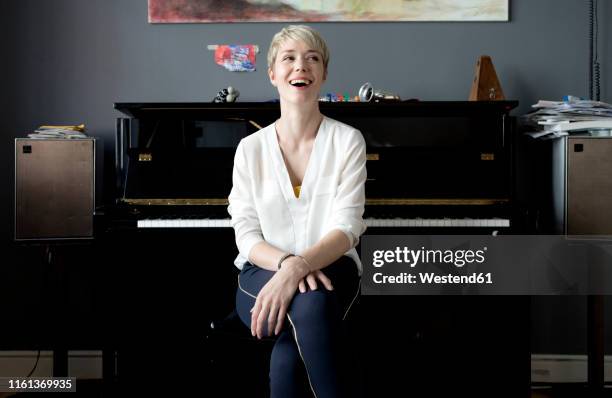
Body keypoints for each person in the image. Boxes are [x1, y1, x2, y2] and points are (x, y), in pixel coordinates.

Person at [227, 25, 366, 398]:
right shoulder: (250, 149)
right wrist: (288, 265)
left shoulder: (347, 140)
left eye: (312, 58)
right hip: (262, 271)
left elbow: (347, 227)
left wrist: (300, 267)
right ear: (273, 73)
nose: (299, 66)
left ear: (323, 73)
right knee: (310, 309)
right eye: (288, 58)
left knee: (309, 311)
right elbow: (246, 234)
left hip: (334, 266)